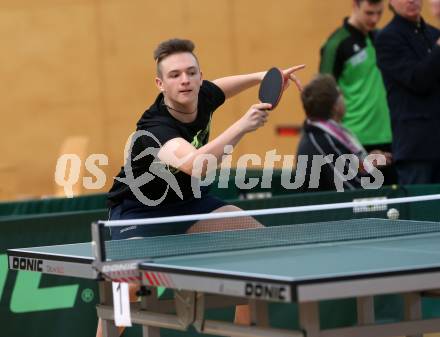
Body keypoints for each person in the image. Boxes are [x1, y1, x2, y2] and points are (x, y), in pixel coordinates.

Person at [98, 38, 304, 337]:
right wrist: (242, 125)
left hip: (188, 203)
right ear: (160, 83)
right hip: (139, 211)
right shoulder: (154, 129)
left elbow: (221, 87)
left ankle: (244, 332)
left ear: (199, 76)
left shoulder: (201, 94)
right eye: (175, 75)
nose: (185, 80)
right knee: (127, 287)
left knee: (260, 247)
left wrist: (261, 77)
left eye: (191, 72)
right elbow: (195, 165)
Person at [319, 0, 396, 184]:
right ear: (355, 6)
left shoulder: (380, 38)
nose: (375, 19)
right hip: (356, 140)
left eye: (379, 13)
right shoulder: (336, 44)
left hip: (388, 137)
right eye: (369, 13)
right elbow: (324, 94)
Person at [375, 0, 440, 184]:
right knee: (419, 210)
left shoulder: (433, 33)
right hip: (416, 147)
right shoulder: (387, 38)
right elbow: (417, 80)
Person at [296, 74, 391, 191]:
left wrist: (367, 164)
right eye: (340, 94)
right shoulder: (325, 142)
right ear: (335, 106)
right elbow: (353, 189)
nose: (343, 97)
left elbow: (345, 172)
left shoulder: (321, 134)